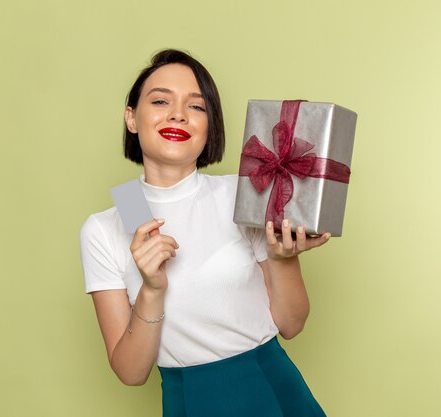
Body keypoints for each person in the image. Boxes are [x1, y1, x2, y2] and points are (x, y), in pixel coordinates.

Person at [80, 49, 330, 417]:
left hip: (272, 387)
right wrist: (151, 290)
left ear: (210, 126)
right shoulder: (112, 223)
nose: (178, 114)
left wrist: (283, 258)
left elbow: (291, 325)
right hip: (188, 401)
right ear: (131, 118)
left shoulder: (242, 194)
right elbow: (131, 374)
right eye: (161, 100)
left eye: (196, 107)